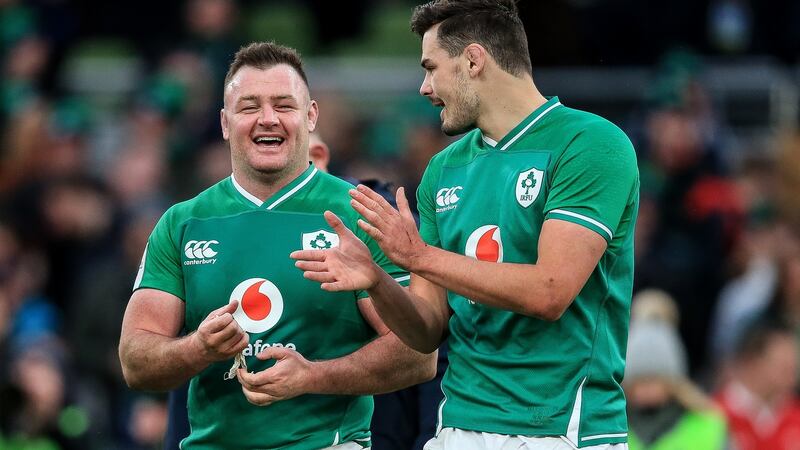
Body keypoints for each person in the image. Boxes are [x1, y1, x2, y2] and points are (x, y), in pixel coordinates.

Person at [292, 1, 640, 449]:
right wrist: (376, 280)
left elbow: (550, 291)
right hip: (457, 425)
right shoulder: (443, 169)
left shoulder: (591, 143)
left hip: (561, 427)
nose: (423, 87)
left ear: (473, 60)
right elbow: (427, 332)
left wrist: (418, 256)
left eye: (431, 68)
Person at [118, 41, 437, 450]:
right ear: (224, 123)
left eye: (284, 106)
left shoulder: (360, 214)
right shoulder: (182, 223)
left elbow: (418, 355)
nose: (268, 119)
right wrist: (198, 347)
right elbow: (135, 360)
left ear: (310, 116)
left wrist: (313, 376)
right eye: (250, 107)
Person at [624, 290, 727, 450]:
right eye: (638, 381)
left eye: (654, 379)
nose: (646, 389)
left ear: (672, 381)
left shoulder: (707, 425)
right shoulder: (608, 426)